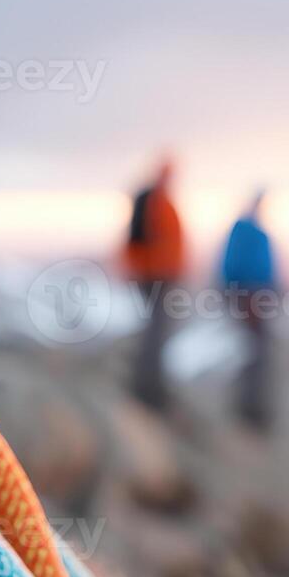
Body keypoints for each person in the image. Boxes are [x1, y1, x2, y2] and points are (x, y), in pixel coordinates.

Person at [123, 155, 186, 410]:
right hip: (155, 276)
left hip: (159, 274)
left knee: (157, 329)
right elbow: (141, 239)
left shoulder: (158, 200)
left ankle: (150, 383)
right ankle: (147, 387)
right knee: (155, 330)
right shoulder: (152, 199)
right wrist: (149, 269)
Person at [220, 188, 277, 430]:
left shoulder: (254, 231)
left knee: (256, 349)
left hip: (257, 296)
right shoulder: (245, 230)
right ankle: (247, 408)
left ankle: (252, 405)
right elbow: (233, 264)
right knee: (251, 349)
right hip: (249, 295)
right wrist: (236, 292)